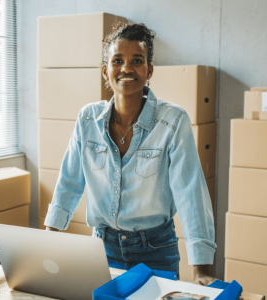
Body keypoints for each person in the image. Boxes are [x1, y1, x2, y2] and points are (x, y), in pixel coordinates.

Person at [44, 21, 216, 285]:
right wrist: (48, 241)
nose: (126, 68)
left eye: (137, 60)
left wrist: (202, 269)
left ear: (149, 71)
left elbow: (190, 192)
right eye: (117, 61)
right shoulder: (87, 119)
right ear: (105, 71)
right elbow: (69, 181)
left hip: (156, 252)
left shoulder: (173, 121)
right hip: (102, 249)